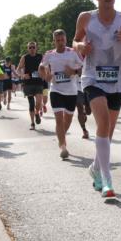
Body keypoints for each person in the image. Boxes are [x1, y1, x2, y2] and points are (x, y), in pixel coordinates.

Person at [74, 0, 121, 199]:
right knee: (102, 123)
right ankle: (106, 180)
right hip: (92, 78)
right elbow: (75, 40)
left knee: (108, 133)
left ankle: (95, 168)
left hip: (117, 81)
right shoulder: (86, 18)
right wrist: (80, 47)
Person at [41, 29, 84, 159]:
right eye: (58, 40)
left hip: (71, 91)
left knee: (68, 119)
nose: (60, 43)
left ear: (66, 39)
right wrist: (45, 76)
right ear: (54, 41)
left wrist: (74, 72)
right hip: (56, 91)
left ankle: (61, 136)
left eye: (62, 40)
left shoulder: (73, 52)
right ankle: (63, 146)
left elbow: (84, 67)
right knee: (59, 119)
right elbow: (41, 67)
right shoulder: (49, 54)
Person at [17, 41, 47, 130]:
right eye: (30, 47)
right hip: (28, 83)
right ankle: (32, 123)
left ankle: (37, 112)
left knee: (38, 102)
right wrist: (23, 75)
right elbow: (18, 69)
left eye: (33, 47)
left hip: (39, 83)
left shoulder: (41, 57)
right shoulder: (25, 57)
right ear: (28, 49)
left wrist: (44, 74)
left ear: (36, 48)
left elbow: (47, 67)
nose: (32, 49)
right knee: (31, 103)